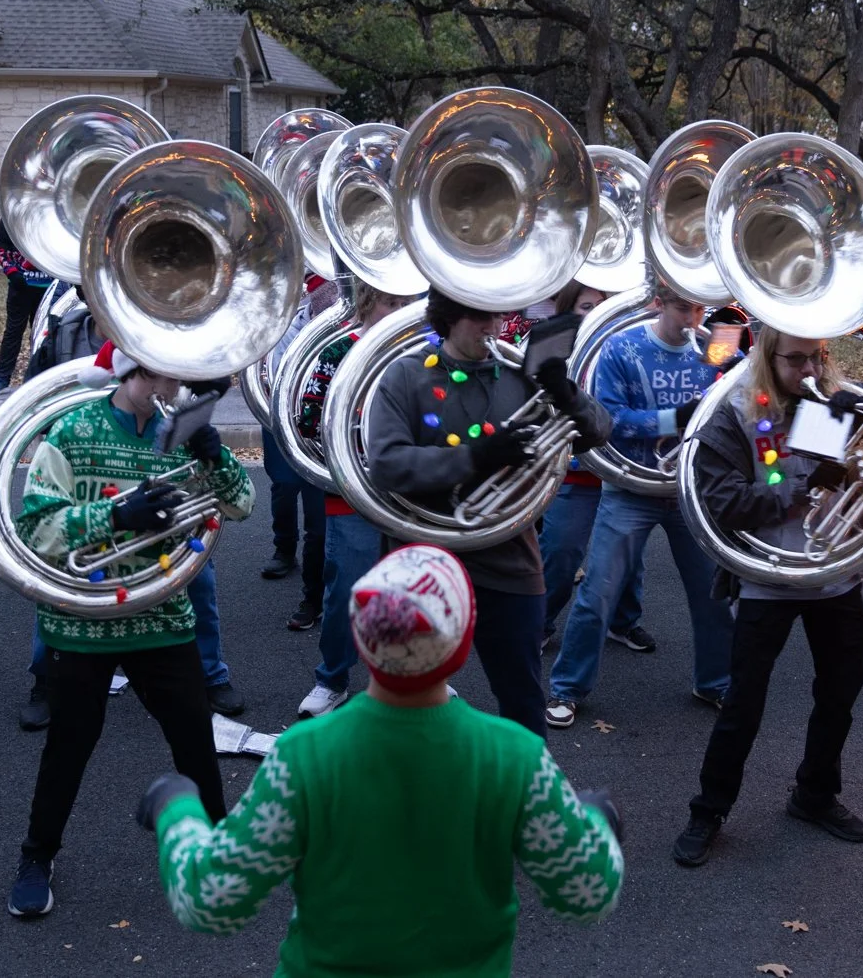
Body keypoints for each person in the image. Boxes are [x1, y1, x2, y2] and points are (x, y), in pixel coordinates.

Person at [140, 544, 623, 973]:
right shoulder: (515, 756)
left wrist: (177, 809)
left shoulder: (304, 755)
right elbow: (586, 892)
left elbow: (211, 900)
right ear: (460, 642)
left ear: (362, 639)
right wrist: (597, 825)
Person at [670, 328, 863, 867]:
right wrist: (809, 485)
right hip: (767, 577)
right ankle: (709, 809)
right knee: (743, 704)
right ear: (768, 358)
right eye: (796, 360)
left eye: (818, 357)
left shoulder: (828, 399)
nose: (810, 370)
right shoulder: (736, 414)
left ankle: (814, 794)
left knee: (840, 693)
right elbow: (726, 503)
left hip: (834, 577)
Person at [6, 338, 252, 918]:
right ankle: (37, 857)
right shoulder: (73, 431)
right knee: (70, 745)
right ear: (130, 372)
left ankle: (216, 851)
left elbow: (242, 506)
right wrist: (115, 515)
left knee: (194, 737)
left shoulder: (183, 432)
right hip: (82, 622)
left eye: (177, 381)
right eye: (160, 380)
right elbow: (36, 529)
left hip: (162, 616)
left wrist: (215, 456)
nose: (171, 394)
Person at [364, 288, 611, 737]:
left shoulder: (520, 375)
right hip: (423, 558)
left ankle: (529, 793)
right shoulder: (405, 376)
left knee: (521, 696)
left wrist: (564, 391)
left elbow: (599, 431)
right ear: (448, 317)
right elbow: (386, 464)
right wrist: (476, 457)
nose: (494, 326)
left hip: (508, 557)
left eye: (496, 313)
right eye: (480, 316)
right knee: (407, 694)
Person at [546, 283, 734, 728]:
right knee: (597, 593)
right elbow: (608, 420)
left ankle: (716, 681)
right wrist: (674, 419)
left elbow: (744, 396)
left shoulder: (715, 347)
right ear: (657, 303)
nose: (694, 320)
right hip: (632, 488)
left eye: (700, 309)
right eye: (683, 309)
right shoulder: (621, 348)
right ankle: (567, 689)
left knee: (712, 594)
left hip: (687, 490)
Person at [292, 279, 416, 717]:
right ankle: (333, 680)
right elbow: (308, 419)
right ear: (367, 301)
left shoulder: (421, 351)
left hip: (412, 494)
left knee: (409, 588)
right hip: (353, 492)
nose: (398, 310)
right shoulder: (339, 350)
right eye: (389, 301)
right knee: (346, 588)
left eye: (405, 302)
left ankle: (414, 677)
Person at [536, 281, 652, 655]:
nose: (597, 314)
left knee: (628, 559)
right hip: (575, 469)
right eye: (587, 307)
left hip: (621, 468)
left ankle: (623, 622)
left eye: (603, 306)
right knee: (562, 551)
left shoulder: (626, 348)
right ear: (570, 309)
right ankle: (539, 623)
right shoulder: (551, 347)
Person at [260, 275, 331, 633]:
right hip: (280, 413)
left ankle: (314, 596)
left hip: (321, 426)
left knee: (320, 522)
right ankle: (284, 549)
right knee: (284, 487)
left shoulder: (332, 314)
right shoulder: (283, 309)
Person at [0, 221, 53, 397]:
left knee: (45, 335)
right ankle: (2, 379)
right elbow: (2, 246)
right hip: (20, 287)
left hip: (48, 288)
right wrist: (12, 272)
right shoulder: (11, 214)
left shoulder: (49, 211)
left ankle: (41, 379)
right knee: (13, 332)